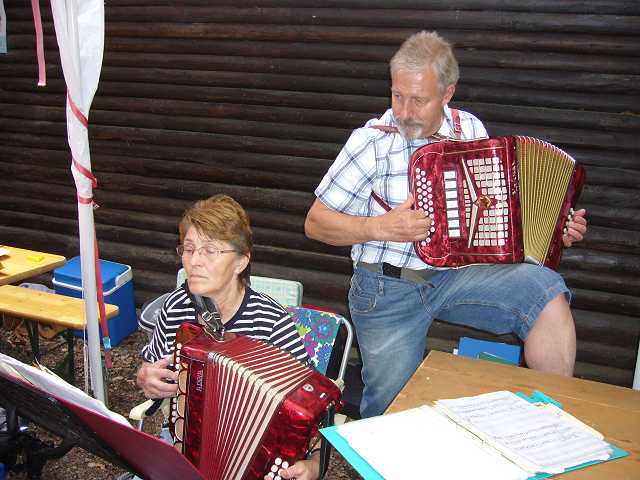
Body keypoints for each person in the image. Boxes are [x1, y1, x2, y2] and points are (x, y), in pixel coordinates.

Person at [305, 31, 588, 418]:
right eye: (396, 95)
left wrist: (555, 229)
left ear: (447, 93)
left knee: (545, 293)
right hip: (386, 286)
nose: (403, 111)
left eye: (418, 100)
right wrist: (382, 228)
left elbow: (495, 218)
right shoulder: (369, 143)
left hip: (456, 276)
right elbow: (316, 223)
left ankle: (553, 421)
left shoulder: (470, 130)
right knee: (389, 410)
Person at [136, 194, 320, 480]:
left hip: (254, 459)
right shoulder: (175, 307)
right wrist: (146, 378)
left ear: (241, 262)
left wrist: (315, 464)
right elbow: (150, 371)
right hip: (180, 446)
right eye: (188, 248)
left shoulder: (272, 322)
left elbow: (311, 408)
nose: (194, 261)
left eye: (210, 251)